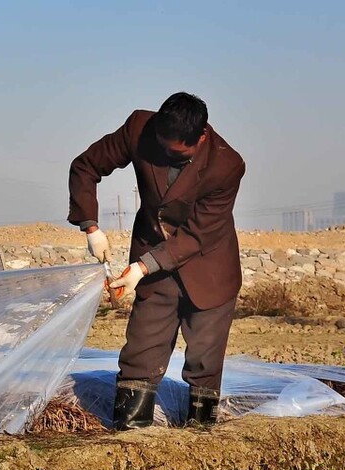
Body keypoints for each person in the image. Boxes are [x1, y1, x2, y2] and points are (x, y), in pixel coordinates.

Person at [68, 92, 245, 430]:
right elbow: (86, 166)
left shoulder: (226, 165)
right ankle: (131, 437)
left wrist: (141, 267)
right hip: (153, 253)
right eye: (162, 148)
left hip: (209, 265)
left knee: (204, 361)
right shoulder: (139, 128)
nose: (166, 155)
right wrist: (90, 226)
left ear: (201, 136)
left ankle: (201, 437)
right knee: (141, 352)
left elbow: (196, 235)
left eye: (176, 152)